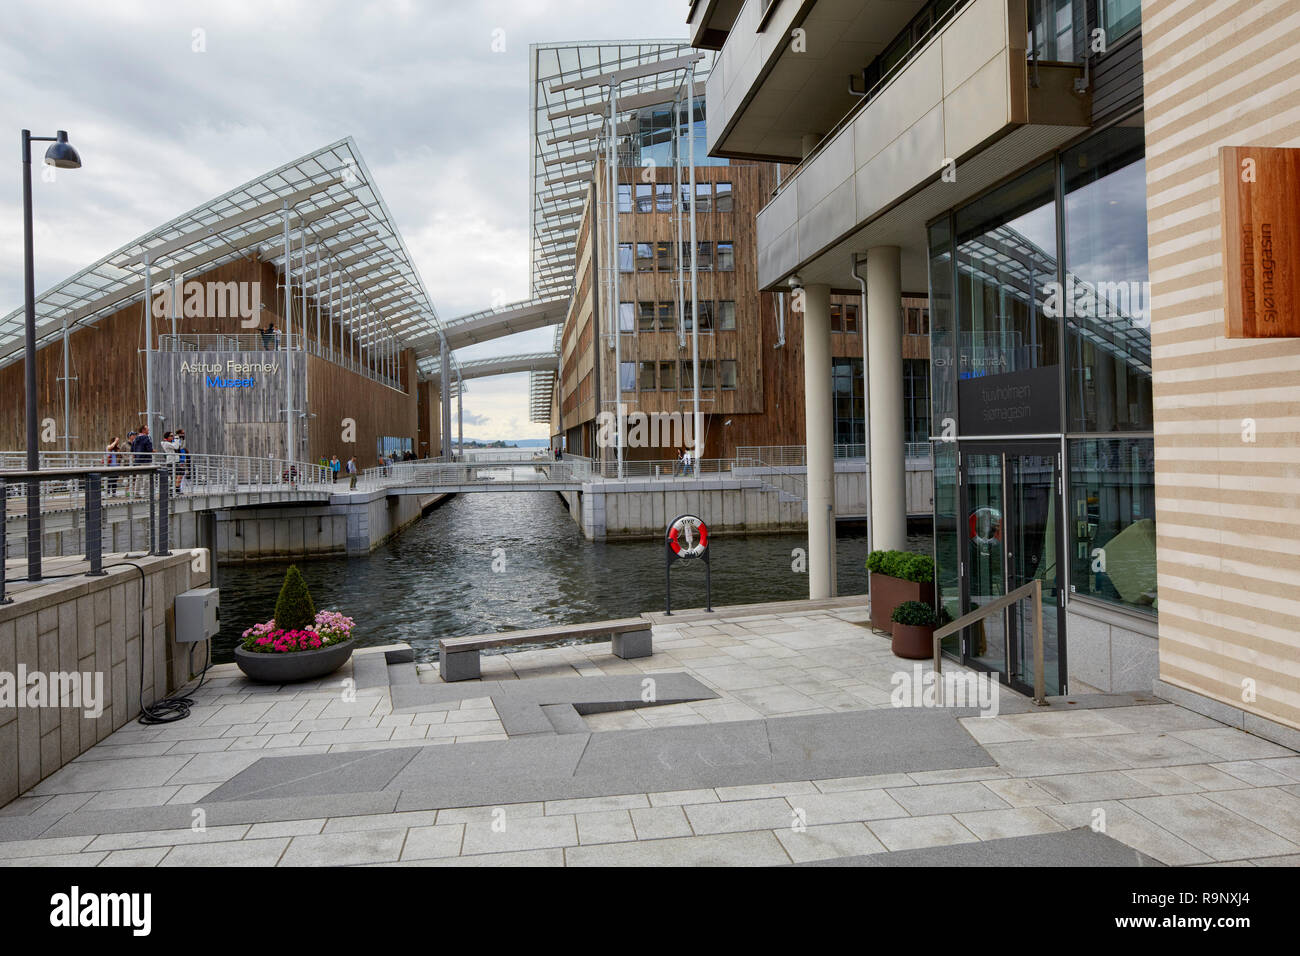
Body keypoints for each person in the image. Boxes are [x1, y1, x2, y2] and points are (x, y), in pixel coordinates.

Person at [130, 426, 154, 496]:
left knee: (138, 477)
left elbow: (132, 450)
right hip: (146, 460)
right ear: (143, 430)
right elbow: (149, 449)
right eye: (147, 429)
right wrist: (153, 450)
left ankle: (136, 493)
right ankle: (146, 493)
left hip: (138, 460)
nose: (148, 430)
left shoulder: (135, 439)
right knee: (146, 477)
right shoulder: (146, 438)